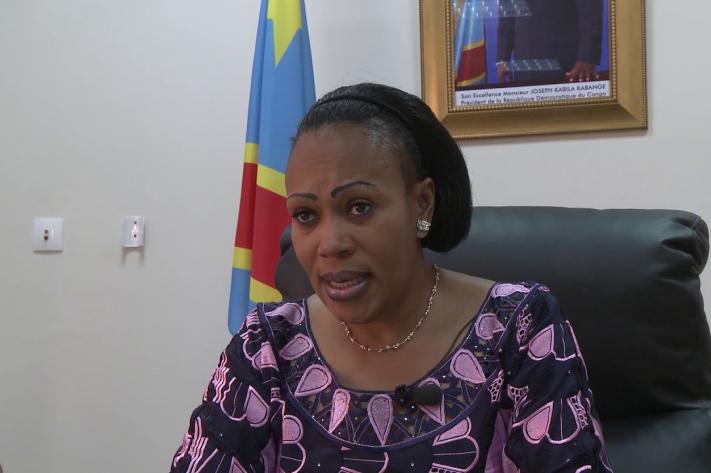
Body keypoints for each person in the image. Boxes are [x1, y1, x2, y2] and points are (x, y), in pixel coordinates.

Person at [170, 83, 613, 472]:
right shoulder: (268, 345)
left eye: (359, 207)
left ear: (422, 204)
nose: (330, 244)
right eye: (305, 215)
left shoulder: (517, 328)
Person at [496, 0, 604, 84]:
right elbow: (506, 17)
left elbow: (591, 10)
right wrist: (502, 59)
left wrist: (587, 57)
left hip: (567, 64)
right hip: (524, 64)